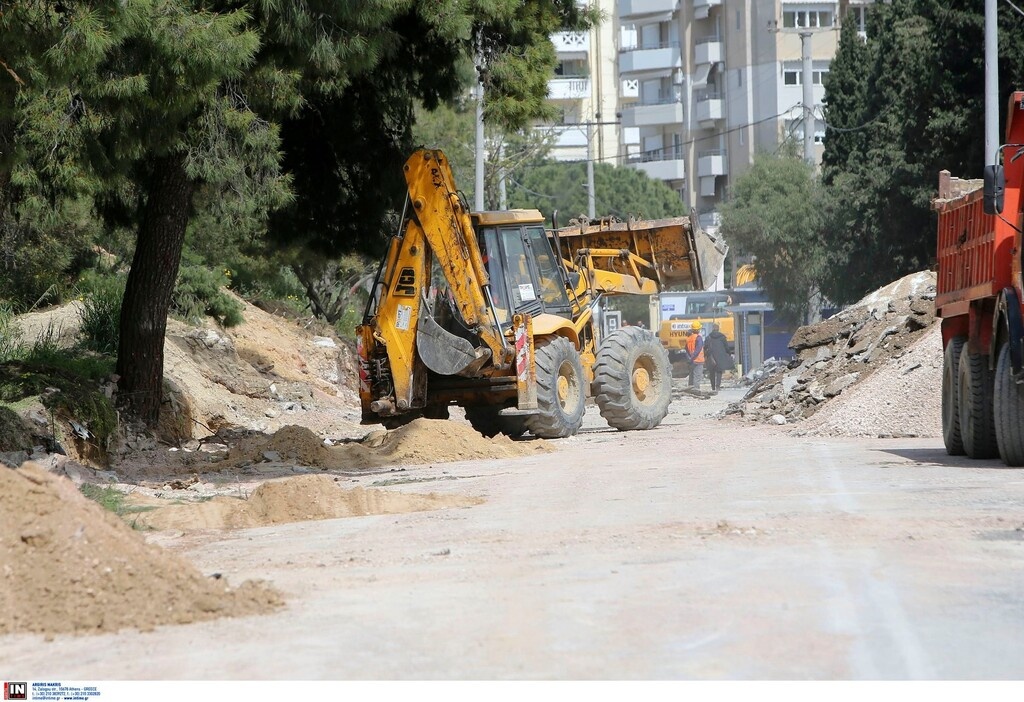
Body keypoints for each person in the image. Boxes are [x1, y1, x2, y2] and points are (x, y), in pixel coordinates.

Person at [704, 322, 735, 394]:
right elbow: (726, 347)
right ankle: (718, 386)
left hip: (711, 356)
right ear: (718, 329)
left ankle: (713, 387)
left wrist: (706, 354)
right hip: (720, 355)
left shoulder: (708, 337)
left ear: (712, 329)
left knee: (712, 372)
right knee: (719, 371)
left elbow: (705, 347)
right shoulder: (722, 337)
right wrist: (728, 353)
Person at [685, 322, 705, 389]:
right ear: (699, 329)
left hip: (691, 360)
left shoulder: (688, 338)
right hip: (698, 360)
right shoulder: (698, 338)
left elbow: (687, 350)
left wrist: (690, 358)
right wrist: (693, 357)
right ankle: (696, 390)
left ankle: (690, 389)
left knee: (691, 376)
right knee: (697, 376)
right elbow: (698, 349)